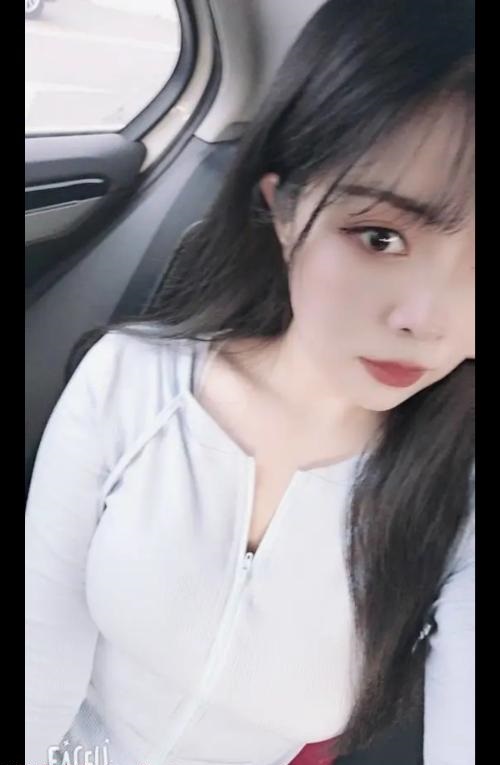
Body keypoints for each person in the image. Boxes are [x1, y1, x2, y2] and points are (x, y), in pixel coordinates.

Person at [25, 1, 475, 764]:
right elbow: (37, 659)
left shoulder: (458, 495)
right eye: (381, 237)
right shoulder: (129, 385)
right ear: (284, 209)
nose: (428, 321)